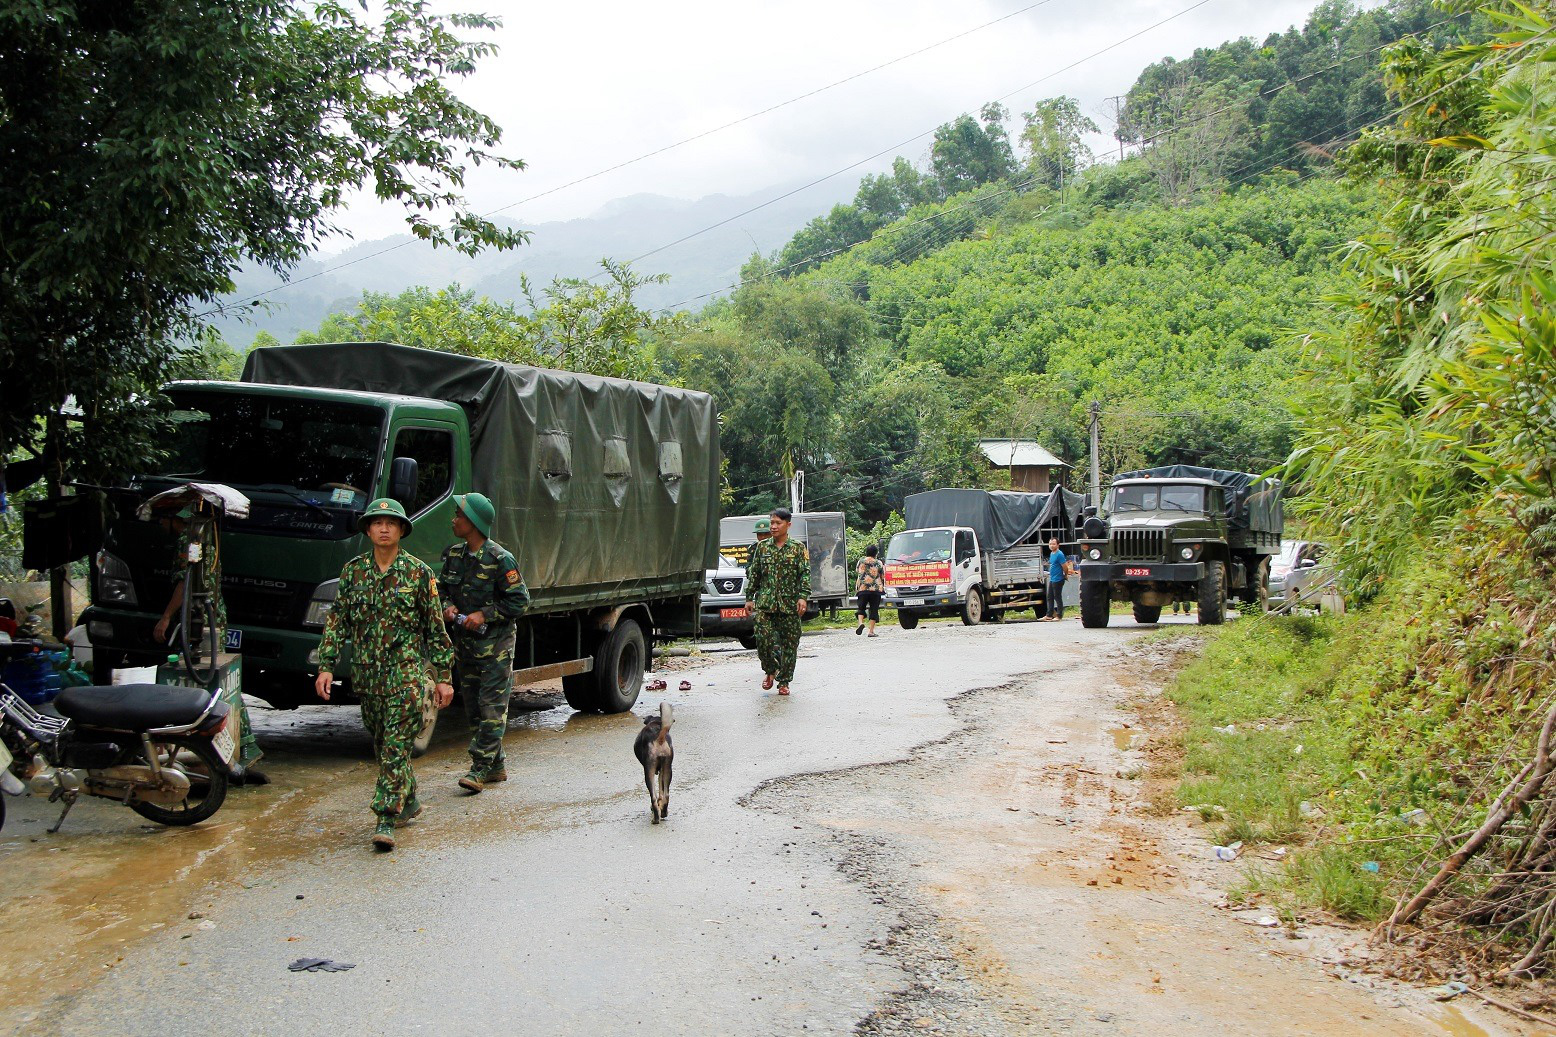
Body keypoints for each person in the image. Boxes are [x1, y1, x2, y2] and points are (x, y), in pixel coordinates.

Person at [316, 498, 454, 852]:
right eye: (377, 522)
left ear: (401, 530)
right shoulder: (353, 572)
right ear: (367, 529)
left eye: (390, 523)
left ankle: (385, 819)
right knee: (383, 744)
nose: (383, 528)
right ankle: (409, 801)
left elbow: (436, 630)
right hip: (368, 677)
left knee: (394, 746)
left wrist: (443, 676)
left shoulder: (419, 574)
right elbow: (337, 622)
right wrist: (327, 665)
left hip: (406, 677)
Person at [152, 510, 266, 783]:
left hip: (201, 620)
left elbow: (185, 581)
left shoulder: (190, 540)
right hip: (210, 616)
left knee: (213, 686)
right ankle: (240, 750)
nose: (159, 524)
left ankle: (218, 752)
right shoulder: (205, 540)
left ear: (174, 519)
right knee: (222, 685)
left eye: (161, 518)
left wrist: (166, 616)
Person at [438, 492, 530, 794]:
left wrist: (484, 614)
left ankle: (478, 768)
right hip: (465, 646)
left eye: (459, 516)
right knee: (475, 709)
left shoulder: (500, 559)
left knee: (492, 708)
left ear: (474, 523)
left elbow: (520, 601)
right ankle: (496, 765)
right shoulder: (453, 555)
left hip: (496, 648)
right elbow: (441, 592)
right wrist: (447, 607)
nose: (454, 520)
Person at [744, 506, 809, 696]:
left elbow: (804, 573)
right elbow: (755, 573)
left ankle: (784, 681)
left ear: (788, 525)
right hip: (765, 603)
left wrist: (803, 597)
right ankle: (770, 670)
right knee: (763, 640)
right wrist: (750, 597)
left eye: (777, 523)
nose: (773, 526)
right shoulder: (762, 548)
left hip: (789, 605)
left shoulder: (798, 548)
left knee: (790, 644)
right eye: (771, 522)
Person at [855, 544, 885, 637]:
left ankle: (860, 623)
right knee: (874, 610)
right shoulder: (878, 563)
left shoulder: (861, 561)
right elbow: (882, 576)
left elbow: (857, 571)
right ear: (876, 553)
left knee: (861, 607)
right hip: (875, 589)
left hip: (862, 588)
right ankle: (871, 631)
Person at [1043, 537, 1068, 622]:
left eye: (1053, 544)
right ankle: (1049, 615)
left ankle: (1059, 615)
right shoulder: (1052, 553)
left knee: (1057, 597)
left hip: (1058, 579)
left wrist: (1065, 574)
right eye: (1050, 544)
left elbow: (1065, 566)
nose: (1051, 546)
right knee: (1050, 597)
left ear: (1058, 545)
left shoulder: (1059, 554)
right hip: (1052, 578)